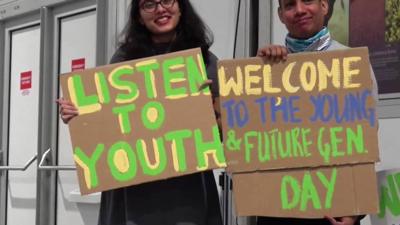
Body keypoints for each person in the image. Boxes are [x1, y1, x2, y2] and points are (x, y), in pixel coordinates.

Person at [58, 0, 223, 224]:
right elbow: (107, 122)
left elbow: (225, 130)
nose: (160, 9)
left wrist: (211, 111)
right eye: (149, 4)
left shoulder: (205, 61)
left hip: (187, 193)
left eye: (167, 0)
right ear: (138, 16)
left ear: (181, 6)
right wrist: (78, 115)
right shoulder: (122, 61)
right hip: (133, 194)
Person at [256, 0, 378, 225]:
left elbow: (364, 144)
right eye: (290, 5)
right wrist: (256, 73)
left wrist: (354, 212)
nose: (300, 10)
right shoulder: (266, 66)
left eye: (308, 1)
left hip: (335, 212)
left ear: (324, 6)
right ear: (281, 15)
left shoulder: (353, 64)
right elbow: (253, 137)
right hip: (278, 211)